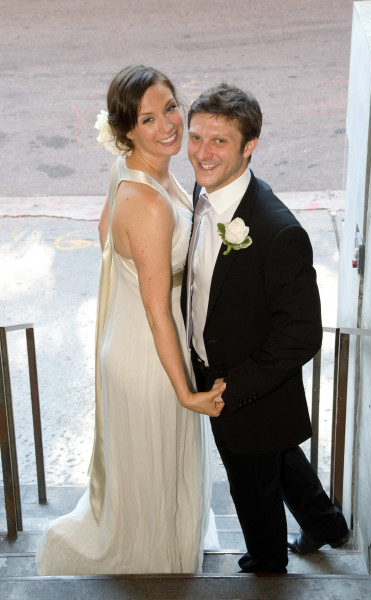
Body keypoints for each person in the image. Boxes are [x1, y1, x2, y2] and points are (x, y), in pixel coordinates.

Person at [36, 65, 225, 576]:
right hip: (148, 357)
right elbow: (156, 308)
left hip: (138, 341)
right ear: (126, 132)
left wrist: (129, 268)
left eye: (170, 107)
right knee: (154, 474)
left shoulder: (136, 167)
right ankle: (150, 571)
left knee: (151, 475)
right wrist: (185, 391)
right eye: (148, 119)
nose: (168, 125)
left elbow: (103, 233)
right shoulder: (148, 202)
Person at [181, 82, 350, 573]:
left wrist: (231, 388)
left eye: (219, 142)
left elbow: (301, 333)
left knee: (251, 481)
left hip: (244, 387)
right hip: (232, 380)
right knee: (276, 455)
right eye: (196, 138)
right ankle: (327, 525)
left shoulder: (278, 230)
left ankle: (269, 561)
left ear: (248, 147)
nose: (202, 153)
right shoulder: (205, 190)